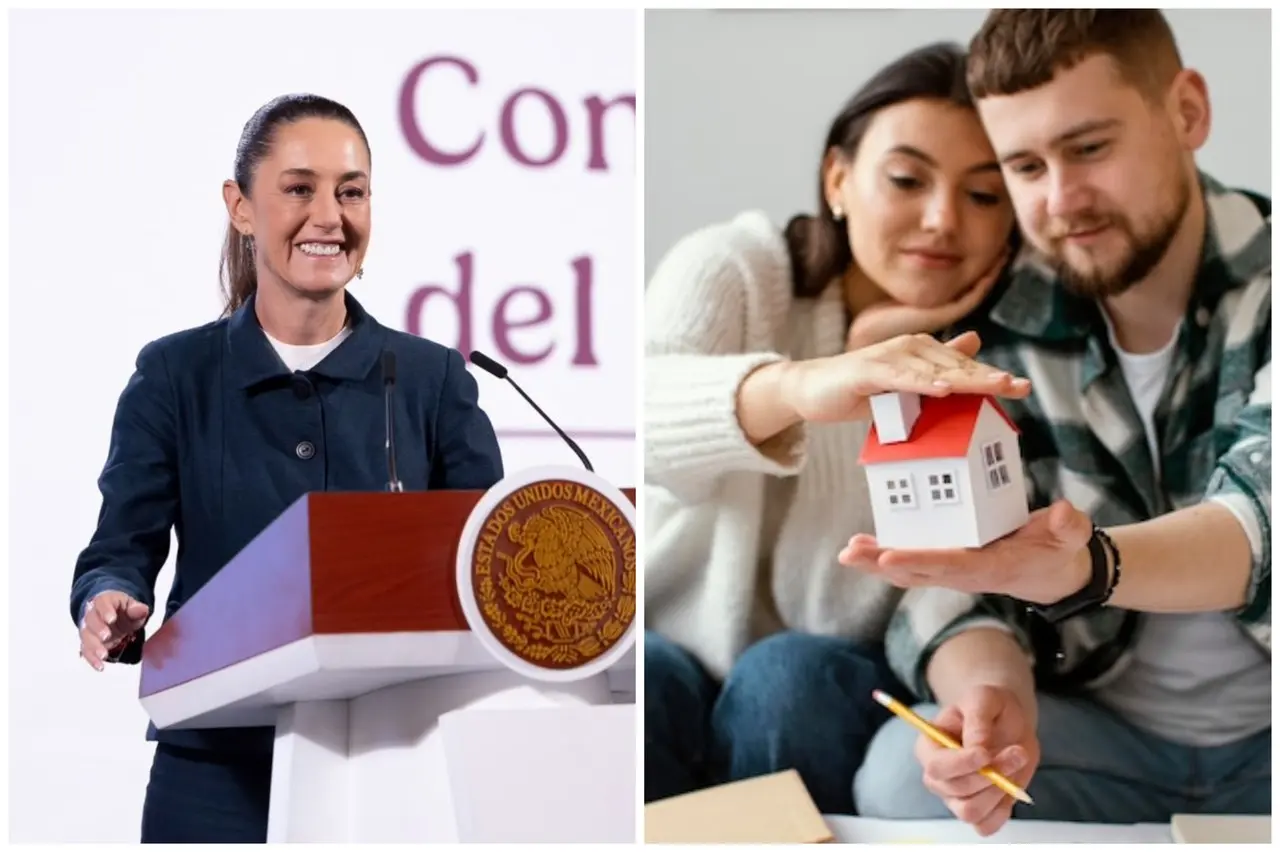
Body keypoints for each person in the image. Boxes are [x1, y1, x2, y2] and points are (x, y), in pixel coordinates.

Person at [845, 10, 1271, 835]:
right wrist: (991, 697)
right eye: (1025, 166)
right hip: (1105, 736)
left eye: (1089, 149)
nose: (1060, 200)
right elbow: (952, 584)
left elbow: (1262, 512)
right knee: (903, 777)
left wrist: (1089, 565)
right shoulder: (1000, 326)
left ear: (1187, 112)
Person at [70, 93, 504, 843]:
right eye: (300, 189)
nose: (330, 216)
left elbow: (492, 563)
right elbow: (119, 550)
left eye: (352, 191)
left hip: (397, 759)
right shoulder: (176, 373)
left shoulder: (432, 379)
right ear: (241, 207)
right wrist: (111, 599)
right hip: (215, 762)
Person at [643, 42, 1035, 815]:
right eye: (906, 179)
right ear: (837, 179)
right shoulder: (738, 268)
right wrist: (809, 382)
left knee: (784, 678)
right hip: (673, 648)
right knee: (639, 673)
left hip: (827, 680)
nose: (941, 219)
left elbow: (964, 583)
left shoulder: (1006, 364)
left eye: (984, 195)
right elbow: (645, 420)